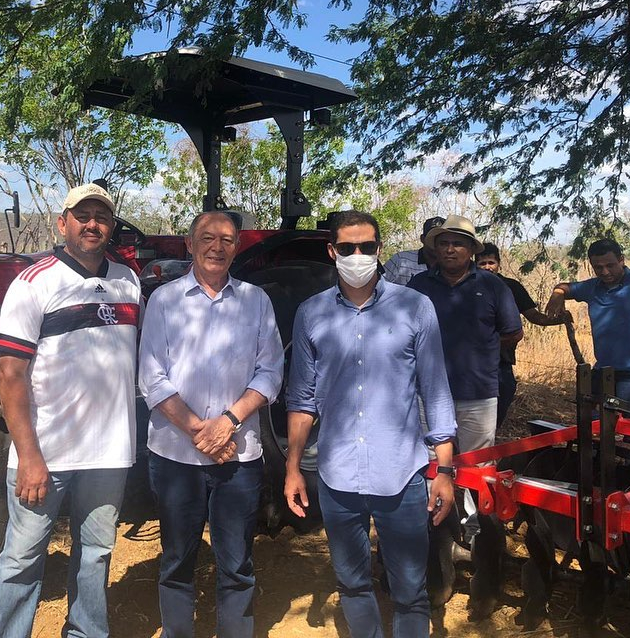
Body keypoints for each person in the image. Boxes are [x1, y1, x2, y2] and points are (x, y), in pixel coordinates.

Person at [284, 209, 457, 638]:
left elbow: (434, 391)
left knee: (410, 589)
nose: (357, 255)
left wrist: (446, 470)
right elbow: (302, 400)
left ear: (379, 250)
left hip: (401, 475)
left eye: (366, 247)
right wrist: (291, 467)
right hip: (338, 476)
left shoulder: (415, 307)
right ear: (332, 251)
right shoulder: (311, 313)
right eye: (347, 248)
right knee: (352, 583)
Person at [0, 183, 142, 638]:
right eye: (83, 215)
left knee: (95, 552)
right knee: (21, 558)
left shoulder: (128, 281)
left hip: (109, 453)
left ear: (111, 226)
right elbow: (9, 374)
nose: (92, 224)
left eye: (102, 216)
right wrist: (29, 457)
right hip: (45, 455)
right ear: (63, 222)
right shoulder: (35, 282)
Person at [138, 210, 284, 638]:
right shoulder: (164, 300)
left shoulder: (257, 301)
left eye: (226, 239)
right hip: (175, 457)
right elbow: (151, 376)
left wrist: (229, 421)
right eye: (207, 238)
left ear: (237, 247)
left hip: (238, 458)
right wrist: (200, 431)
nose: (216, 247)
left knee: (236, 562)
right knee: (177, 559)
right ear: (189, 244)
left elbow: (271, 371)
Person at [407, 216, 522, 454]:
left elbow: (513, 332)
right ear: (435, 249)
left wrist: (480, 345)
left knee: (477, 463)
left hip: (478, 392)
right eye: (443, 243)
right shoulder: (419, 286)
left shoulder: (493, 286)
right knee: (430, 462)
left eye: (457, 243)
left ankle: (470, 495)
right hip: (428, 392)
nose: (450, 249)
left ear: (470, 249)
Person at [546, 238, 630, 412]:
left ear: (621, 260)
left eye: (610, 265)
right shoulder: (592, 287)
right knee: (592, 428)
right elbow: (566, 287)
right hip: (604, 370)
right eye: (598, 267)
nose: (605, 272)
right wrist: (558, 293)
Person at [476, 243, 572, 427]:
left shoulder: (510, 287)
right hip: (473, 360)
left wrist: (559, 320)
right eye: (482, 263)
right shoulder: (467, 285)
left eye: (491, 262)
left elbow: (534, 316)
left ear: (499, 264)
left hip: (501, 359)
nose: (487, 267)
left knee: (503, 396)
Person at [382, 216, 445, 285]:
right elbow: (377, 287)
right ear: (422, 239)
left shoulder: (451, 266)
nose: (435, 243)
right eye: (432, 238)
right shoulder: (401, 260)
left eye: (441, 240)